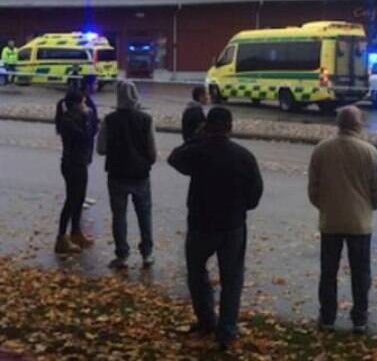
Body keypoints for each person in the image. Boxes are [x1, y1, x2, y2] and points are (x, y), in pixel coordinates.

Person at [168, 107, 263, 349]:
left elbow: (174, 158)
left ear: (207, 127)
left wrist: (196, 137)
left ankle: (206, 319)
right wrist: (242, 207)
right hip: (232, 224)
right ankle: (227, 330)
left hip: (201, 223)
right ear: (230, 127)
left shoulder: (198, 151)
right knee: (232, 279)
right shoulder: (243, 156)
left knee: (197, 271)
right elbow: (254, 194)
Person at [308, 106, 377, 334]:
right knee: (361, 273)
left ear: (338, 124)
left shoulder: (321, 150)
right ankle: (359, 318)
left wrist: (324, 206)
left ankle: (327, 316)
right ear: (357, 125)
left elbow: (313, 188)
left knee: (328, 271)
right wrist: (371, 207)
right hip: (359, 222)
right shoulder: (369, 152)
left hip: (330, 220)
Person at [97, 80, 157, 269]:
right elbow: (153, 152)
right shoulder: (146, 119)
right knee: (144, 215)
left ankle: (122, 254)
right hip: (140, 174)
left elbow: (101, 149)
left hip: (116, 174)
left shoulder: (109, 120)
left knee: (119, 216)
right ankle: (147, 253)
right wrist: (146, 161)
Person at [54, 89, 95, 254]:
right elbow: (85, 138)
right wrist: (86, 119)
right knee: (71, 200)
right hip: (72, 165)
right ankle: (61, 238)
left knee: (79, 199)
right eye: (83, 103)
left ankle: (76, 232)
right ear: (76, 105)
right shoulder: (68, 121)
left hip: (79, 163)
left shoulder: (75, 118)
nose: (85, 105)